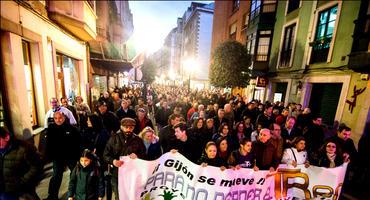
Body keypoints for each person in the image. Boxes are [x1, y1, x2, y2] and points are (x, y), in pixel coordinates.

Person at [103, 117, 146, 200]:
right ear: (121, 126)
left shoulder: (138, 140)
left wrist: (138, 156)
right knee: (119, 196)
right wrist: (113, 161)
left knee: (131, 196)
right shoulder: (113, 138)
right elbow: (105, 155)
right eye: (126, 127)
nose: (129, 129)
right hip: (116, 173)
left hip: (132, 174)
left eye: (131, 127)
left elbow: (144, 155)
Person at [44, 111, 81, 200]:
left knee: (74, 174)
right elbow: (48, 144)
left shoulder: (72, 128)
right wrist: (49, 156)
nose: (58, 120)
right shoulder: (51, 129)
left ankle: (75, 193)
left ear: (64, 118)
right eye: (56, 118)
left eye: (60, 118)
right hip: (58, 157)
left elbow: (77, 143)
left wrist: (77, 156)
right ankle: (52, 195)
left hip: (71, 156)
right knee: (56, 176)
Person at [0, 126, 43, 200]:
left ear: (7, 137)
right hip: (4, 192)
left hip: (21, 192)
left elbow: (36, 167)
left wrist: (22, 181)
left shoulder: (23, 149)